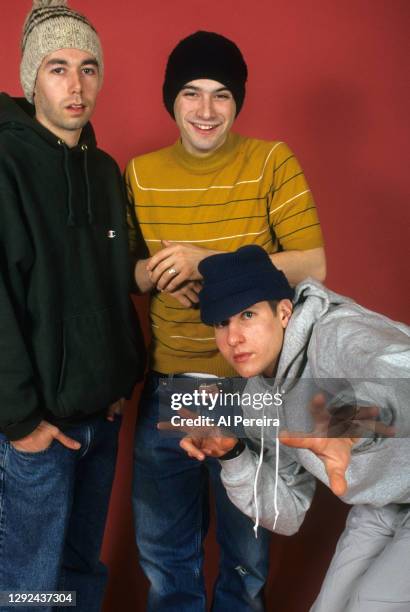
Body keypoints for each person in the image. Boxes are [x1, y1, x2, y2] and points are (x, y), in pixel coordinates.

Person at [126, 30, 326, 611]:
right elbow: (125, 272)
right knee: (166, 565)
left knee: (247, 565)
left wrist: (205, 262)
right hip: (172, 388)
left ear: (238, 101)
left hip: (253, 390)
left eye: (221, 95)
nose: (206, 110)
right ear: (172, 100)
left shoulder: (271, 160)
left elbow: (314, 264)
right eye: (191, 93)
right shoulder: (139, 174)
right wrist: (159, 273)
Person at [0, 2, 145, 610]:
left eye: (88, 68)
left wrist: (115, 375)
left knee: (83, 573)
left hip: (100, 416)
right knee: (31, 588)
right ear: (32, 75)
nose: (76, 85)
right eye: (57, 68)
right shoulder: (6, 163)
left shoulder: (107, 170)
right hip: (38, 427)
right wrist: (21, 421)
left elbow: (118, 281)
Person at [176, 244, 410, 612]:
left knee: (369, 606)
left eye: (248, 315)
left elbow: (401, 372)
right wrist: (234, 456)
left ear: (284, 312)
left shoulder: (334, 333)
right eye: (222, 323)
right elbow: (289, 514)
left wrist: (346, 426)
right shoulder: (257, 401)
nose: (233, 338)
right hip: (383, 500)